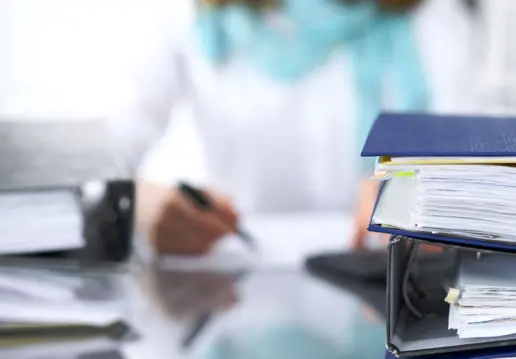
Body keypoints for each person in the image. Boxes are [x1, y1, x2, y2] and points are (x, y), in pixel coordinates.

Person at [106, 0, 472, 255]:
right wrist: (138, 205)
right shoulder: (188, 16)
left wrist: (425, 191)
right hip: (238, 291)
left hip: (383, 291)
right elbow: (97, 155)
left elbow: (484, 156)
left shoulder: (433, 17)